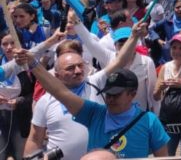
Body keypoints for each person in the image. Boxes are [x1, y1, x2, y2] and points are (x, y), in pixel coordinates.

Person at [17, 47, 170, 157]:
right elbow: (59, 91)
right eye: (107, 94)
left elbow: (162, 157)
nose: (110, 99)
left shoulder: (150, 121)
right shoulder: (94, 113)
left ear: (132, 94)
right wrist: (33, 64)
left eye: (116, 95)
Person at [24, 21, 144, 160]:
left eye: (80, 65)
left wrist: (134, 36)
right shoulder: (45, 101)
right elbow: (34, 138)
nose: (78, 71)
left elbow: (120, 61)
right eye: (70, 68)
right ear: (56, 75)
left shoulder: (96, 82)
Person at [0, 31, 35, 159]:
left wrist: (19, 101)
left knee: (21, 154)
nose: (9, 47)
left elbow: (36, 95)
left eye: (12, 43)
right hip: (1, 119)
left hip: (22, 119)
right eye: (4, 44)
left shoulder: (30, 66)